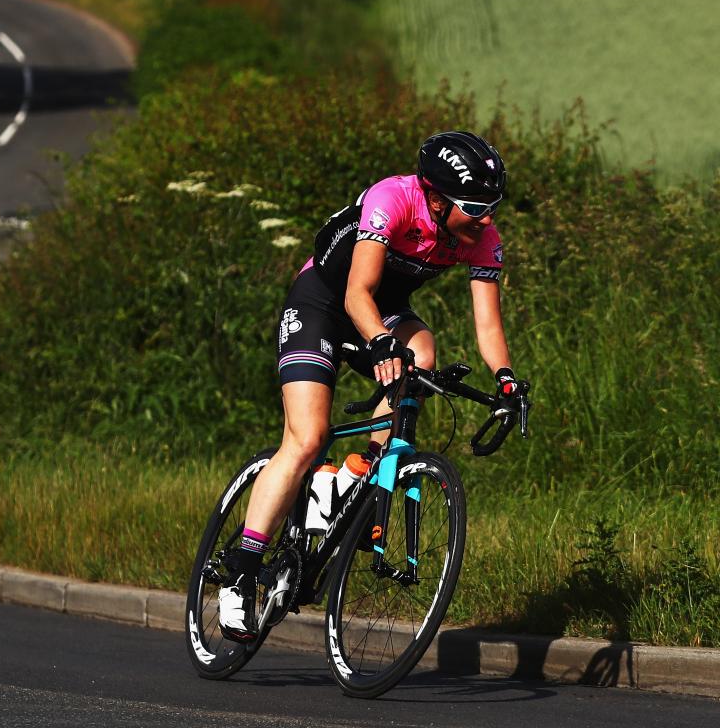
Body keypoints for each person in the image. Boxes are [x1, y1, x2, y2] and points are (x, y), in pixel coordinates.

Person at [218, 131, 526, 642]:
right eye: (475, 208)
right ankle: (241, 573)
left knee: (422, 352)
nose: (487, 220)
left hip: (383, 310)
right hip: (324, 302)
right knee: (308, 437)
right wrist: (382, 343)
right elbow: (358, 290)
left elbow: (487, 326)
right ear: (435, 197)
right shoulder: (394, 198)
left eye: (492, 207)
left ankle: (353, 476)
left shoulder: (481, 237)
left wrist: (507, 381)